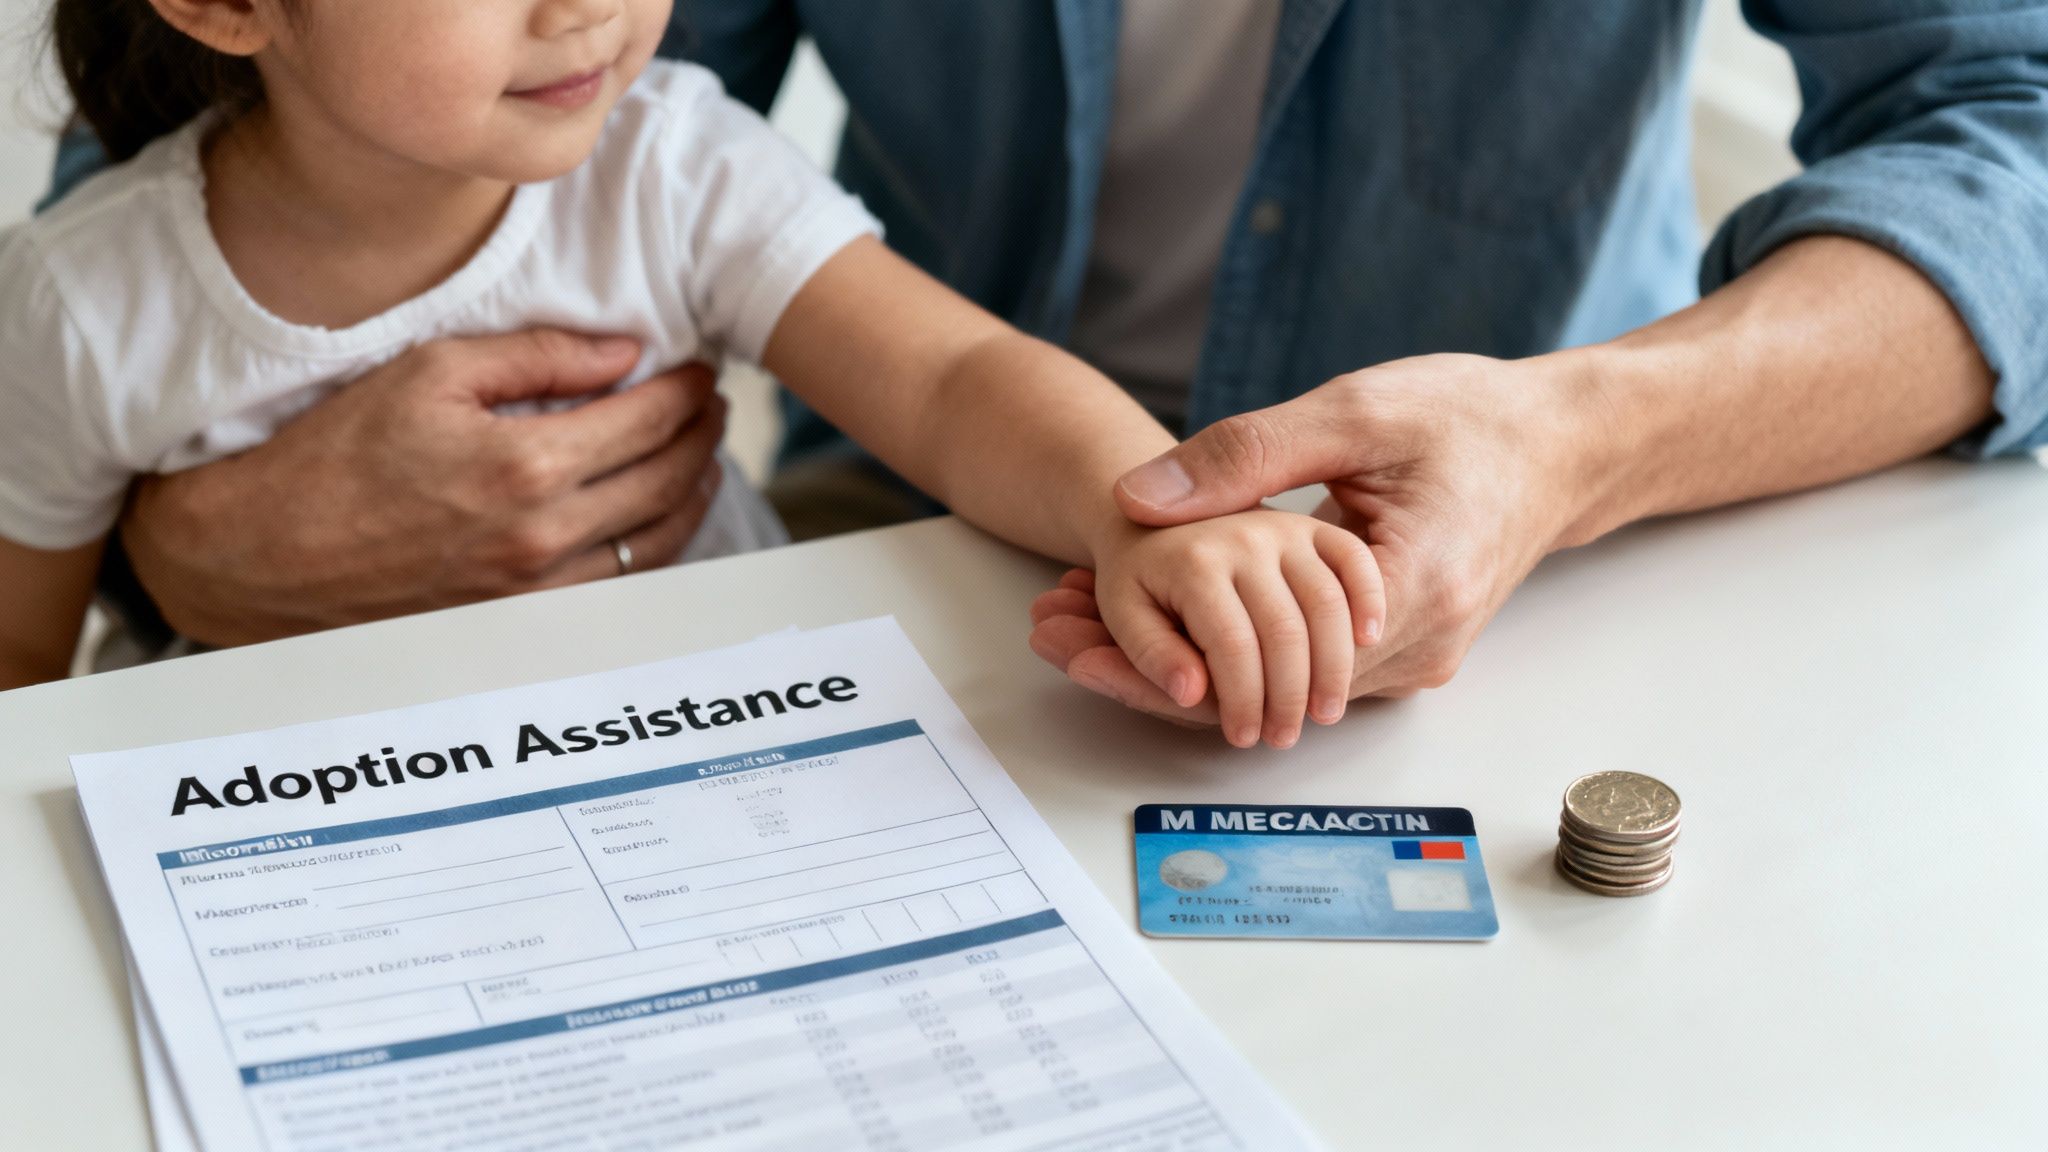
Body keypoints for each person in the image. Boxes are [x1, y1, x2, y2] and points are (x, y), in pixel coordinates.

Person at [41, 2, 2048, 729]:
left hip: (1575, 575)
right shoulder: (76, 292)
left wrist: (1582, 436)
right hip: (899, 586)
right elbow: (365, 152)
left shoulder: (665, 153)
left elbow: (2011, 116)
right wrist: (192, 557)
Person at [0, 0, 1390, 750]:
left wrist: (1142, 512)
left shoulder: (674, 160)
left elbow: (953, 374)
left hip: (702, 776)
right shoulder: (76, 306)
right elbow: (21, 656)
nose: (589, 10)